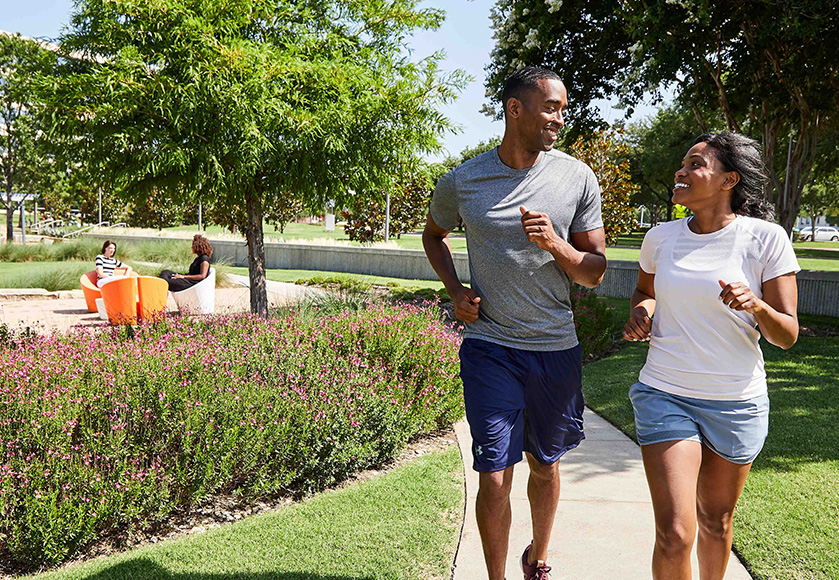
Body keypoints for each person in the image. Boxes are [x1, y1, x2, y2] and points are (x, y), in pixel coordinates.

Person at [423, 66, 606, 580]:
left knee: (546, 465)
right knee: (495, 475)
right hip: (490, 346)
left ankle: (538, 557)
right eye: (551, 107)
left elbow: (594, 271)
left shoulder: (577, 177)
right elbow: (434, 235)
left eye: (563, 109)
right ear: (515, 109)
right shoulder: (463, 180)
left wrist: (555, 244)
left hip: (554, 347)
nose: (559, 118)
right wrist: (455, 290)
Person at [622, 132, 799, 580]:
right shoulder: (660, 238)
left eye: (695, 164)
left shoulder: (765, 239)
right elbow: (644, 292)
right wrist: (642, 312)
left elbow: (787, 334)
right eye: (682, 163)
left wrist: (757, 306)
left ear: (728, 180)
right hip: (665, 392)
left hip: (735, 402)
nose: (680, 171)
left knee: (715, 522)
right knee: (675, 533)